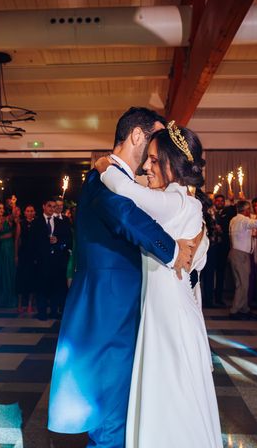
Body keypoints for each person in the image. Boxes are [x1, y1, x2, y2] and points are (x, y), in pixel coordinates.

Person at [48, 107, 193, 448]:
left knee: (116, 395)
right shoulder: (106, 178)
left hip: (115, 298)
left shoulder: (115, 177)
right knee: (111, 401)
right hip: (110, 301)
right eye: (154, 139)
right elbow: (125, 215)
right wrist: (172, 251)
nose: (153, 157)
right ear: (138, 136)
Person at [95, 122, 221, 447]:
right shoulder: (175, 200)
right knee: (168, 389)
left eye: (153, 159)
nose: (146, 165)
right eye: (147, 158)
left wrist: (105, 165)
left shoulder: (178, 202)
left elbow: (124, 190)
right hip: (166, 309)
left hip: (170, 315)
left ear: (171, 163)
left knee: (173, 393)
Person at [228, 200, 257, 319]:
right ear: (245, 210)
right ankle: (235, 310)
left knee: (240, 282)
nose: (250, 211)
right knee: (243, 283)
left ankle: (244, 308)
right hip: (241, 255)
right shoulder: (243, 220)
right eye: (249, 209)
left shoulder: (234, 219)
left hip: (235, 253)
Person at [36, 197, 72, 320]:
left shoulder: (60, 222)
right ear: (44, 206)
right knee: (42, 286)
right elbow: (32, 242)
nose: (52, 208)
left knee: (56, 285)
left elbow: (67, 239)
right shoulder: (37, 222)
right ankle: (42, 312)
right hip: (42, 259)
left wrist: (58, 241)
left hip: (56, 259)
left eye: (53, 206)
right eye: (49, 206)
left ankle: (54, 310)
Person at [212, 194, 236, 306]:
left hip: (223, 246)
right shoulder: (210, 212)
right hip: (212, 246)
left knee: (221, 273)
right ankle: (208, 297)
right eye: (218, 201)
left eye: (222, 201)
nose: (220, 202)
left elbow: (234, 211)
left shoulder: (228, 212)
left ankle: (219, 298)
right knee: (210, 273)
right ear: (214, 201)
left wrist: (232, 201)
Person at [15, 204, 39, 314]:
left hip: (33, 255)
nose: (30, 213)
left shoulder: (37, 224)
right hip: (23, 254)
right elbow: (17, 240)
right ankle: (20, 305)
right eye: (28, 211)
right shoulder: (21, 224)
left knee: (33, 279)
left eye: (31, 211)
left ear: (34, 213)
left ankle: (30, 305)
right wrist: (16, 255)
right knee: (21, 279)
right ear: (25, 213)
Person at [0, 202, 17, 308]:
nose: (1, 210)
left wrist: (13, 204)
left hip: (9, 248)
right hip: (0, 249)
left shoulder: (8, 218)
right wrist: (1, 236)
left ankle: (9, 298)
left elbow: (14, 215)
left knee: (8, 272)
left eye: (2, 208)